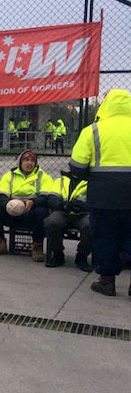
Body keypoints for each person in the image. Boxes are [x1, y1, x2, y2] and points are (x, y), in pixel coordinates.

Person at [70, 89, 131, 296]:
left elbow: (76, 166)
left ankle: (107, 281)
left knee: (105, 235)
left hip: (103, 193)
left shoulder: (93, 130)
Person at [0, 151, 57, 262]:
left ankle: (37, 246)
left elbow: (46, 197)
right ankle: (0, 243)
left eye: (32, 160)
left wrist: (32, 202)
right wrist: (10, 204)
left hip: (30, 212)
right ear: (20, 162)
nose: (29, 163)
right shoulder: (9, 175)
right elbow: (1, 195)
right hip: (11, 211)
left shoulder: (43, 176)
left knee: (42, 212)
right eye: (26, 160)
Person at [44, 172, 91, 270]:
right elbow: (51, 198)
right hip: (63, 212)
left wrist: (83, 206)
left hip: (83, 214)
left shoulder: (92, 182)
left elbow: (97, 201)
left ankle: (82, 257)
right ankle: (58, 254)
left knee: (90, 225)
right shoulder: (60, 181)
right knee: (51, 222)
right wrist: (63, 205)